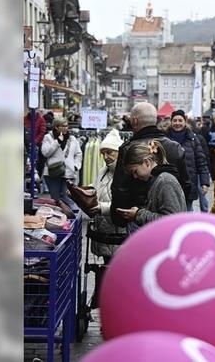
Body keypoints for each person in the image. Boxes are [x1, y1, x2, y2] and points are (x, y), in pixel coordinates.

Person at [110, 102, 192, 228]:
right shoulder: (174, 146)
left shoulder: (129, 149)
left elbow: (121, 189)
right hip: (153, 219)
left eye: (135, 172)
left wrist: (120, 219)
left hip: (139, 219)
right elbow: (185, 184)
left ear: (135, 120)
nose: (135, 176)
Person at [88, 128, 127, 308]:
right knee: (106, 269)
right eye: (103, 152)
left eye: (110, 152)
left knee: (116, 273)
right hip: (104, 231)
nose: (106, 156)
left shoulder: (125, 173)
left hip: (117, 232)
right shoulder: (103, 170)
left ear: (119, 152)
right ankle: (104, 303)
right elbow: (98, 189)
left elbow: (124, 204)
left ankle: (111, 306)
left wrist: (102, 208)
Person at [116, 140, 187, 233]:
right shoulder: (157, 180)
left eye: (135, 171)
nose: (135, 176)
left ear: (147, 162)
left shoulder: (165, 181)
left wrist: (138, 214)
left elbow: (171, 221)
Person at [167, 110, 210, 212]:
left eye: (180, 120)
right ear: (171, 122)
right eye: (175, 120)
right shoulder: (165, 138)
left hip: (189, 184)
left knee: (187, 212)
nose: (177, 123)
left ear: (185, 122)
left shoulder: (193, 140)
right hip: (169, 184)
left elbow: (201, 162)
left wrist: (205, 182)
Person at [41, 117, 82, 205]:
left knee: (67, 197)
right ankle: (58, 217)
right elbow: (45, 153)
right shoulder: (48, 137)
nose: (66, 128)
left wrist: (75, 166)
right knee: (55, 200)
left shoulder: (72, 139)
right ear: (56, 127)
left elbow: (78, 153)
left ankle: (72, 217)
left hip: (68, 173)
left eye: (67, 126)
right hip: (52, 173)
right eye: (63, 126)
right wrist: (57, 141)